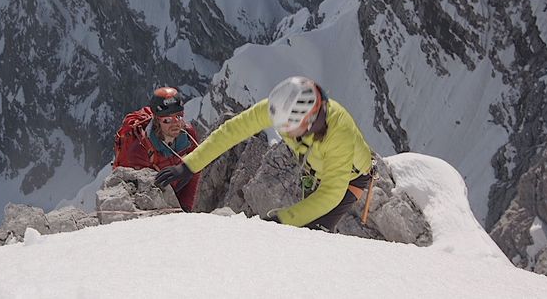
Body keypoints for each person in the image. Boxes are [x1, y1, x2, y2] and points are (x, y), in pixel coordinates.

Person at [155, 76, 374, 231]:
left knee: (314, 232)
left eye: (288, 127)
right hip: (314, 170)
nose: (282, 131)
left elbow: (330, 193)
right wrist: (188, 166)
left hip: (350, 179)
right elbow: (231, 132)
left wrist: (282, 221)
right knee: (302, 231)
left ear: (309, 120)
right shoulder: (278, 109)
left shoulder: (338, 133)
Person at [113, 87, 201, 212]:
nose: (175, 123)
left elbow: (195, 170)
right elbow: (140, 194)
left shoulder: (188, 136)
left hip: (175, 189)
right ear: (156, 121)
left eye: (179, 116)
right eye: (167, 120)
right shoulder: (141, 150)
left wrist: (185, 207)